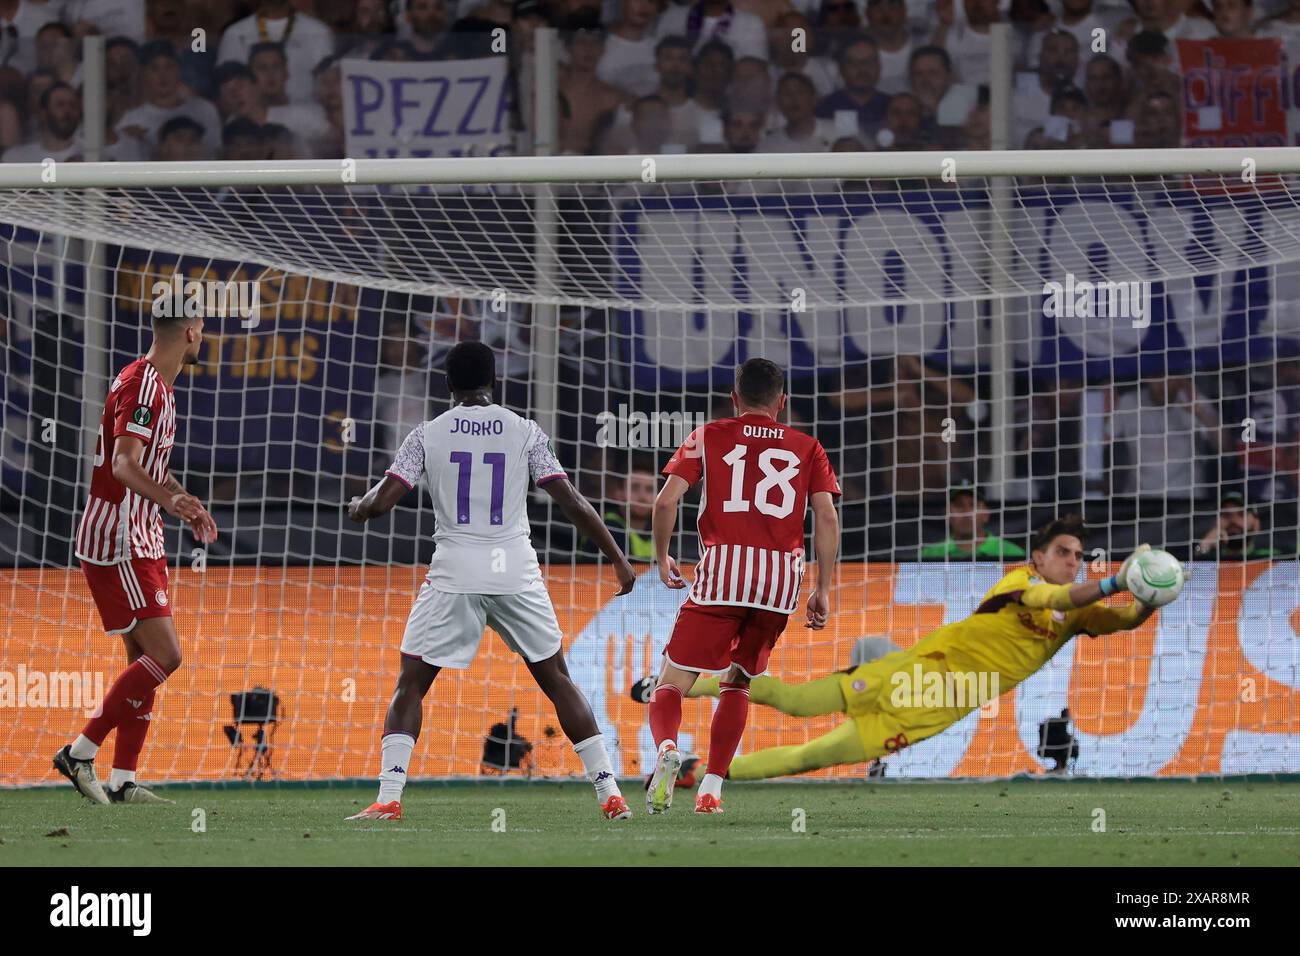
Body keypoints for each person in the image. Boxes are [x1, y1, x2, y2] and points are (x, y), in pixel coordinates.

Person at [345, 342, 639, 822]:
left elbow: (381, 503)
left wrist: (358, 507)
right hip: (514, 569)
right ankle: (610, 793)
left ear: (447, 384)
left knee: (411, 684)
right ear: (494, 381)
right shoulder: (524, 431)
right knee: (557, 679)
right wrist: (620, 560)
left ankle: (389, 798)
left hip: (455, 569)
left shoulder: (426, 434)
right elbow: (573, 502)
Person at [715, 517, 1170, 779]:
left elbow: (1128, 619)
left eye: (1078, 556)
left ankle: (705, 775)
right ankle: (680, 685)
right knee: (795, 701)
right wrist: (1113, 581)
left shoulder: (1079, 617)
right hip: (912, 673)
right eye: (1063, 552)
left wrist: (1151, 595)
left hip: (936, 709)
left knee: (810, 757)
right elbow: (1053, 598)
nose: (1073, 561)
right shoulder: (1019, 582)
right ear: (1038, 557)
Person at [647, 357, 842, 814]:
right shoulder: (808, 446)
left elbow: (665, 501)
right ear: (782, 402)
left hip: (723, 574)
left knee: (670, 682)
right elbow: (828, 516)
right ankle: (712, 786)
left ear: (734, 398)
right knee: (737, 683)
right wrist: (823, 587)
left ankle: (667, 749)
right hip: (779, 584)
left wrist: (661, 558)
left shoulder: (709, 435)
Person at [55, 291, 219, 805]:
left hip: (139, 532)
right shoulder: (147, 385)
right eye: (203, 326)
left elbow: (144, 465)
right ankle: (80, 751)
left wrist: (180, 497)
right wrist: (168, 503)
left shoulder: (156, 384)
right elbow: (125, 465)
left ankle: (122, 779)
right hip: (122, 536)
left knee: (141, 657)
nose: (205, 335)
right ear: (190, 331)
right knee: (166, 656)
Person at [920, 483, 1025, 559]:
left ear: (986, 514)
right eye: (959, 505)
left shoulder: (1012, 553)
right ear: (947, 514)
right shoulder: (929, 555)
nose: (966, 512)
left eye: (973, 505)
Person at [1195, 492, 1278, 559]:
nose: (1233, 520)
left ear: (1256, 524)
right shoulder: (1206, 557)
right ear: (1215, 523)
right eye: (1226, 515)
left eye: (1241, 514)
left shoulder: (1273, 557)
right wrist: (1202, 548)